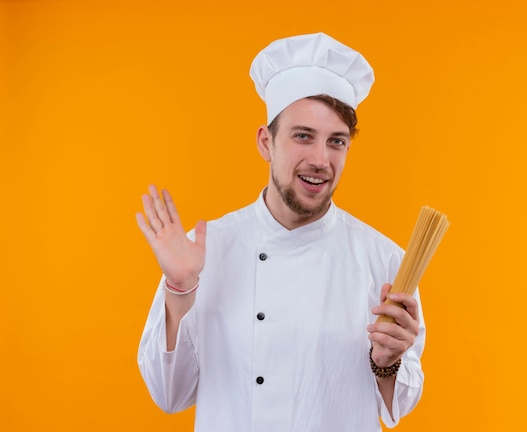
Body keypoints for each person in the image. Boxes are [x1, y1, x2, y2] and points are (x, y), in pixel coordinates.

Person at [136, 32, 425, 431]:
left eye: (336, 141)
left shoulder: (386, 262)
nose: (320, 159)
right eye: (303, 136)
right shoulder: (204, 252)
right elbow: (169, 395)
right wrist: (179, 290)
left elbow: (399, 408)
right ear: (266, 142)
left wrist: (387, 362)